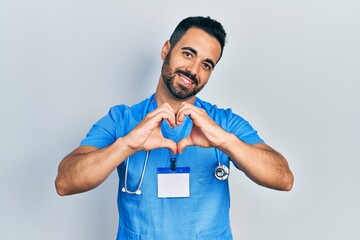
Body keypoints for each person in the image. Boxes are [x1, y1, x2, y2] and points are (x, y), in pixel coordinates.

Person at [55, 16, 293, 239]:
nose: (193, 70)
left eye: (206, 65)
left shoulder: (223, 123)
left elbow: (283, 178)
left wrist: (225, 141)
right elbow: (65, 182)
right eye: (188, 54)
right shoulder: (122, 120)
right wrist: (127, 144)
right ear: (166, 50)